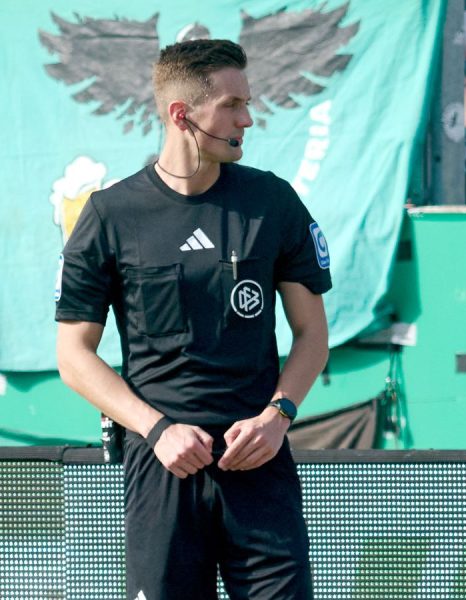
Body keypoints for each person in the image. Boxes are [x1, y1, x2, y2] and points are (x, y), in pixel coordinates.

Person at [55, 39, 330, 599]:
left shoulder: (272, 202)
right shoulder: (110, 215)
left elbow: (312, 334)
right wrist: (156, 429)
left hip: (260, 466)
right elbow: (74, 357)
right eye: (232, 105)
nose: (247, 119)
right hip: (163, 470)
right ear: (182, 115)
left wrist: (278, 416)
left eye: (246, 104)